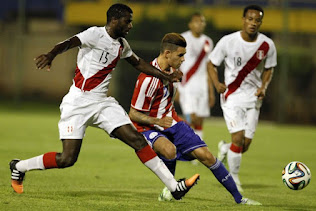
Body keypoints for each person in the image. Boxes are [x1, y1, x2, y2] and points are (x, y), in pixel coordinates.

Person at [9, 3, 200, 200]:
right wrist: (51, 55)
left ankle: (174, 187)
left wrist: (165, 77)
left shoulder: (122, 45)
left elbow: (139, 63)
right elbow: (68, 42)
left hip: (102, 103)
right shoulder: (95, 34)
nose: (130, 26)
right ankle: (19, 166)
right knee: (67, 159)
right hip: (78, 102)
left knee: (137, 140)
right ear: (115, 20)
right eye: (128, 21)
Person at [129, 32, 261, 205]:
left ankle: (239, 199)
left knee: (206, 156)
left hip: (173, 122)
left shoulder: (172, 72)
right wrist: (157, 121)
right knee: (169, 150)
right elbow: (133, 114)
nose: (184, 59)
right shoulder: (147, 79)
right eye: (180, 55)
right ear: (167, 53)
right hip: (148, 127)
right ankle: (170, 188)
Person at [207, 5, 277, 192]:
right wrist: (216, 84)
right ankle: (234, 179)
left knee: (244, 145)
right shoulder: (228, 41)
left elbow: (269, 68)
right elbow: (211, 64)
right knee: (238, 138)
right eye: (250, 19)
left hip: (254, 98)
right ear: (243, 19)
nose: (253, 23)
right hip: (232, 96)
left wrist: (263, 87)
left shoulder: (267, 45)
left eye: (257, 20)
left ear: (261, 22)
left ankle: (224, 149)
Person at [177, 12, 215, 140]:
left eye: (202, 22)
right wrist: (175, 85)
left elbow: (209, 67)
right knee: (191, 117)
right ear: (190, 24)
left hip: (202, 85)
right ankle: (185, 145)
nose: (200, 24)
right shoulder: (183, 39)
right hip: (186, 84)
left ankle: (197, 150)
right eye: (197, 21)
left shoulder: (208, 42)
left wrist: (211, 91)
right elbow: (175, 63)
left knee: (199, 120)